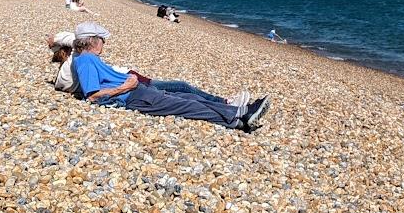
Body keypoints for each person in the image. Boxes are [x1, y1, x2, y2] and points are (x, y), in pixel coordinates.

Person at [71, 22, 270, 132]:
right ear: (93, 41)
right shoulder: (86, 60)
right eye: (102, 40)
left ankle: (241, 114)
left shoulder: (88, 58)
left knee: (190, 98)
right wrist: (125, 87)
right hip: (133, 96)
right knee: (189, 106)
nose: (104, 44)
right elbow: (93, 95)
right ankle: (239, 119)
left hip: (138, 92)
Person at [48, 30, 246, 108]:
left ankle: (225, 104)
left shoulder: (77, 59)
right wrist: (54, 41)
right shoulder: (79, 56)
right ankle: (226, 102)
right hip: (129, 80)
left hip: (127, 78)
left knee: (179, 91)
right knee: (181, 88)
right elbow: (71, 39)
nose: (103, 44)